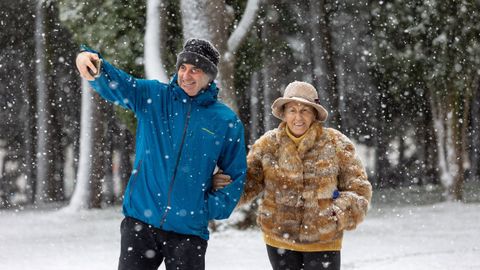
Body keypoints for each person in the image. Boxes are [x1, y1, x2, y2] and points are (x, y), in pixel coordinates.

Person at [76, 38, 247, 270]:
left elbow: (235, 175)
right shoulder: (155, 97)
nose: (186, 75)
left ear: (209, 76)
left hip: (188, 232)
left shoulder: (225, 121)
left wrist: (204, 209)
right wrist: (90, 60)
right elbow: (119, 82)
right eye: (183, 67)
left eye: (195, 70)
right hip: (140, 224)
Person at [213, 81, 372, 270]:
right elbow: (247, 183)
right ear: (284, 113)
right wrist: (220, 183)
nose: (298, 117)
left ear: (314, 114)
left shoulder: (336, 143)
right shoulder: (268, 144)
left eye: (305, 110)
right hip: (279, 239)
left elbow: (359, 187)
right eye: (292, 110)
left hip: (323, 240)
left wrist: (338, 212)